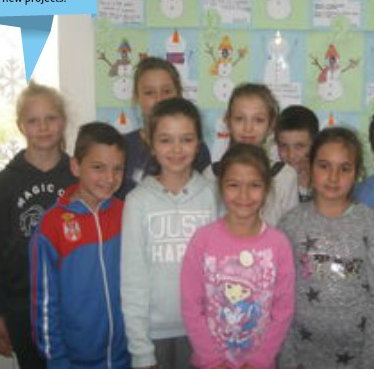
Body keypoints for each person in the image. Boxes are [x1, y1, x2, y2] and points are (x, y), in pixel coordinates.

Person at [278, 127, 374, 369]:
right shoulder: (290, 224)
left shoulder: (372, 226)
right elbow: (279, 298)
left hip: (357, 358)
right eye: (324, 166)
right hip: (301, 357)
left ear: (356, 173)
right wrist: (288, 360)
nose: (333, 177)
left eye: (344, 168)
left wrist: (371, 364)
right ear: (310, 167)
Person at [121, 97, 220, 369]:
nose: (176, 149)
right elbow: (132, 281)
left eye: (186, 139)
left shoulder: (212, 196)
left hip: (203, 332)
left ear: (198, 143)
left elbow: (221, 272)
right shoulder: (137, 202)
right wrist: (141, 351)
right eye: (165, 140)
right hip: (153, 336)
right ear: (151, 144)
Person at [0, 82, 76, 369]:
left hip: (73, 305)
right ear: (20, 125)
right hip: (22, 309)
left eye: (51, 118)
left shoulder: (78, 176)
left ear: (63, 121)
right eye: (33, 120)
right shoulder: (6, 182)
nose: (43, 127)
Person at [181, 143, 295, 369]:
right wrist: (213, 362)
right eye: (234, 185)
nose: (244, 195)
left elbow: (283, 312)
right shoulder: (202, 240)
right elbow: (191, 308)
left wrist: (259, 361)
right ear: (221, 186)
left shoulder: (279, 245)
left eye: (254, 185)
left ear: (267, 188)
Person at [29, 122, 131, 368]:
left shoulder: (127, 213)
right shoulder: (52, 225)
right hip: (74, 360)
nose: (109, 178)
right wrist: (57, 360)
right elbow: (44, 302)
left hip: (126, 355)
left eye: (117, 169)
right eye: (98, 167)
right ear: (76, 166)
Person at [204, 82, 299, 226]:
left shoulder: (285, 176)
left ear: (271, 125)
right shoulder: (211, 175)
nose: (248, 128)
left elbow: (291, 231)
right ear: (227, 121)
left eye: (258, 120)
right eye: (239, 119)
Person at [118, 56, 211, 198]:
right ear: (137, 97)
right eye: (150, 93)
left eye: (166, 91)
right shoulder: (123, 147)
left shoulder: (196, 149)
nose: (159, 99)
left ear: (178, 93)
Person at [274, 105, 320, 203]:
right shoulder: (272, 183)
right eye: (283, 146)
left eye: (299, 146)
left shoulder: (328, 181)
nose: (291, 155)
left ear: (315, 144)